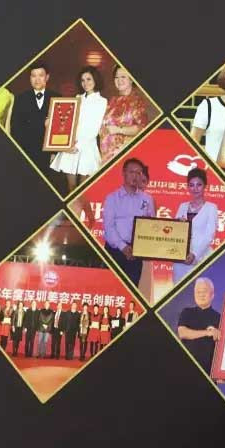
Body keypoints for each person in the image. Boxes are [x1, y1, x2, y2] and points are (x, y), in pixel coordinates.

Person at [50, 66, 108, 193]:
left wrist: (77, 145)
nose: (85, 83)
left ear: (96, 80)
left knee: (83, 189)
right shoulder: (77, 98)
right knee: (71, 187)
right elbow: (68, 123)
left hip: (87, 147)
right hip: (71, 145)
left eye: (89, 79)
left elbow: (94, 129)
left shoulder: (102, 101)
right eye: (83, 80)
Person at [103, 158, 155, 286]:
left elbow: (152, 226)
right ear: (124, 173)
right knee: (110, 288)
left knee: (131, 291)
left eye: (139, 173)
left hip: (136, 253)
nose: (135, 176)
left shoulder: (147, 199)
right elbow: (109, 227)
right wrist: (124, 247)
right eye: (132, 172)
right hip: (114, 251)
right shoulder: (112, 198)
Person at [10, 62, 61, 176]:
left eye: (41, 75)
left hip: (48, 154)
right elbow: (15, 127)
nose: (37, 79)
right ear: (30, 78)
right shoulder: (20, 98)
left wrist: (54, 153)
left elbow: (60, 129)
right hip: (27, 152)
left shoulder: (57, 97)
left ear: (47, 77)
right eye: (33, 76)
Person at [172, 168, 218, 284]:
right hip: (181, 259)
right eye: (191, 185)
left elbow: (209, 235)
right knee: (180, 290)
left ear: (205, 186)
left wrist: (195, 254)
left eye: (199, 185)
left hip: (202, 257)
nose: (195, 189)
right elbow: (175, 231)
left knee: (201, 290)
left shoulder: (211, 208)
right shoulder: (182, 206)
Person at [99, 65, 148, 164]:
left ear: (131, 80)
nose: (119, 80)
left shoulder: (137, 101)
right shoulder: (112, 101)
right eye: (116, 77)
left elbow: (142, 129)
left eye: (123, 77)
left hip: (123, 155)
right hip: (105, 155)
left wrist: (118, 129)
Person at [177, 277, 221, 374]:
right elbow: (183, 333)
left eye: (204, 291)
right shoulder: (187, 312)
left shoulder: (220, 318)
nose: (201, 295)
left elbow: (222, 348)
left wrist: (220, 373)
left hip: (209, 371)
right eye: (198, 292)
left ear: (212, 294)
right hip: (185, 369)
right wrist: (207, 333)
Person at [137, 167, 156, 301]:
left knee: (143, 281)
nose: (140, 184)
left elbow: (153, 223)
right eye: (138, 180)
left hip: (144, 245)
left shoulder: (149, 200)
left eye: (144, 181)